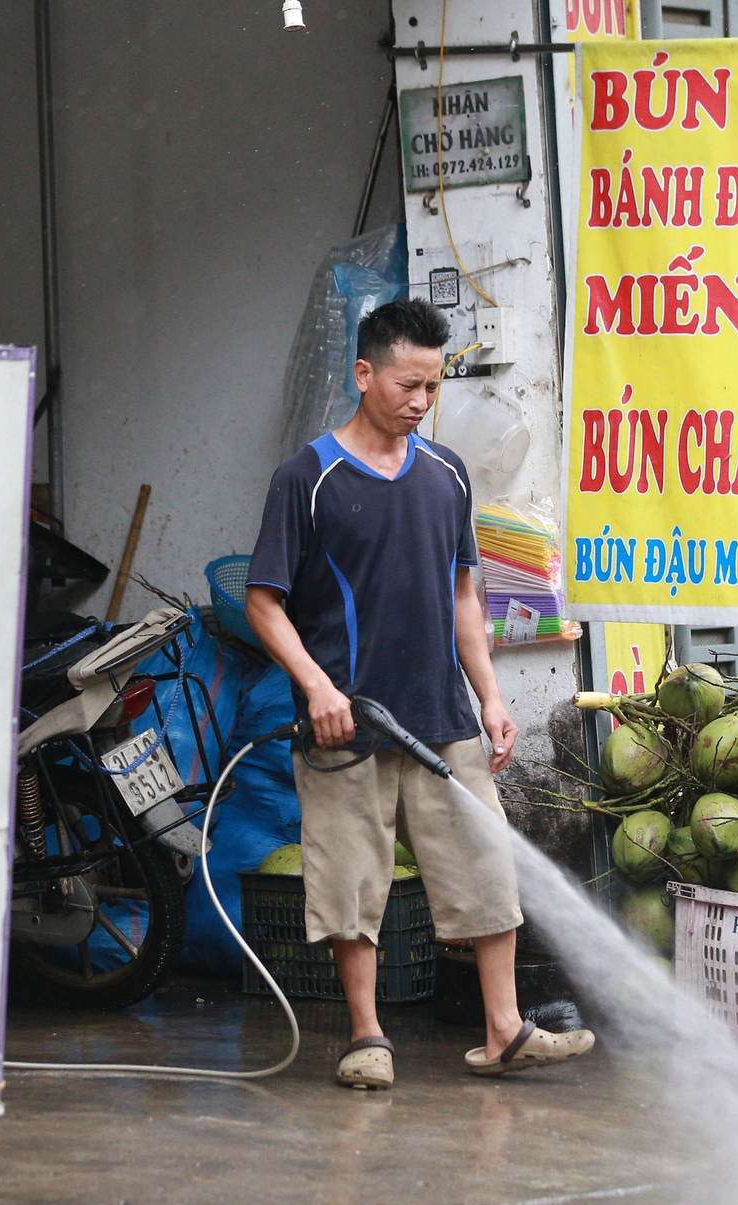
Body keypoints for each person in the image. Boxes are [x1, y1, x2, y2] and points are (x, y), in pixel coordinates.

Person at [245, 298, 594, 1091]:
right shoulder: (309, 478)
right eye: (408, 384)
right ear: (364, 374)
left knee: (487, 870)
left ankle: (504, 1030)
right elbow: (263, 602)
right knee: (351, 883)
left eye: (433, 387)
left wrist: (492, 698)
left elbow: (465, 597)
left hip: (442, 717)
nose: (421, 401)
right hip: (347, 726)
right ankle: (368, 1036)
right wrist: (317, 688)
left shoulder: (446, 477)